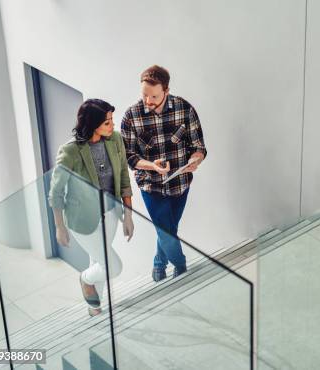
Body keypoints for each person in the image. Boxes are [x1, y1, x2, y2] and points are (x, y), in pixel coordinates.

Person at [121, 65, 207, 282]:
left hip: (180, 184)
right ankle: (181, 267)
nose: (147, 101)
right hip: (151, 185)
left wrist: (196, 159)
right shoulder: (131, 116)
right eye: (144, 95)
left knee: (168, 229)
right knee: (166, 231)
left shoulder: (184, 109)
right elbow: (129, 157)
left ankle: (159, 263)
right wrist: (152, 166)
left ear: (166, 91)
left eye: (153, 96)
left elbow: (199, 147)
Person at [49, 99, 134, 316]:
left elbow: (124, 177)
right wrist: (59, 227)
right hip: (82, 220)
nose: (112, 126)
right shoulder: (70, 151)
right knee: (112, 266)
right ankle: (85, 279)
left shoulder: (115, 140)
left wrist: (128, 216)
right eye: (107, 122)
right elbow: (56, 192)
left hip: (111, 214)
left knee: (100, 261)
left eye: (111, 120)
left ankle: (95, 310)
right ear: (92, 124)